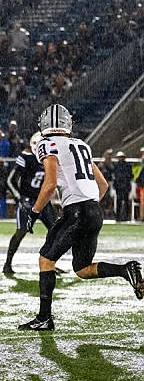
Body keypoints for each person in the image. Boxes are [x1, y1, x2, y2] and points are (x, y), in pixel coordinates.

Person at [19, 105, 143, 331]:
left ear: (44, 124)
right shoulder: (81, 145)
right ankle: (125, 270)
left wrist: (34, 212)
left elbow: (48, 185)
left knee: (46, 260)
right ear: (68, 124)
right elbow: (102, 185)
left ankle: (44, 318)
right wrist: (89, 206)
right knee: (82, 269)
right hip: (94, 210)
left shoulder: (46, 144)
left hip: (77, 212)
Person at [3, 133, 57, 275]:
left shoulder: (52, 158)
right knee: (21, 231)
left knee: (56, 231)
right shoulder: (25, 158)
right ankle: (7, 263)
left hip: (44, 201)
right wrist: (19, 198)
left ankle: (50, 264)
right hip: (28, 200)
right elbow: (10, 181)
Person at [113, 151, 132, 222]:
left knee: (126, 202)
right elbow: (115, 176)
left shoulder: (128, 166)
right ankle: (118, 217)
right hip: (119, 186)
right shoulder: (116, 166)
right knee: (119, 202)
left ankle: (126, 217)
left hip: (125, 186)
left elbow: (129, 176)